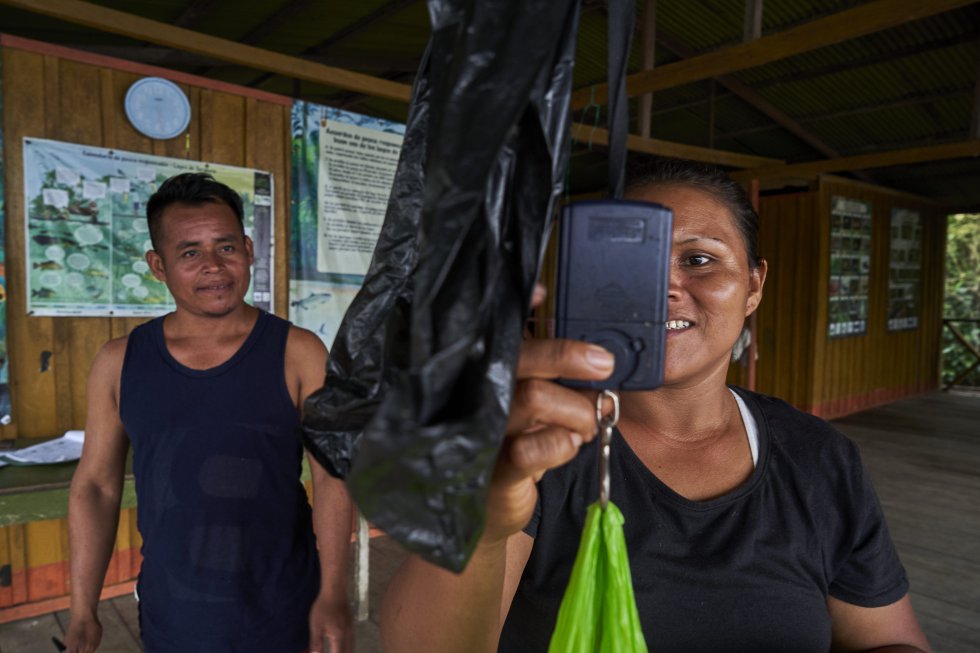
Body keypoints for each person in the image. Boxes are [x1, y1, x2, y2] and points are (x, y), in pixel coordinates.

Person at [380, 158, 931, 652]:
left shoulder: (822, 458)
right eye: (635, 266)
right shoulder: (535, 443)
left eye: (699, 260)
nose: (664, 286)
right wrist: (483, 517)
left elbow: (889, 640)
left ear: (754, 286)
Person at [65, 173, 353, 653]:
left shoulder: (299, 353)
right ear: (158, 265)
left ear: (248, 248)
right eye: (190, 252)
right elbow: (96, 486)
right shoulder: (119, 362)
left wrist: (333, 594)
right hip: (173, 614)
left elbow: (332, 477)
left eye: (226, 247)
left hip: (287, 606)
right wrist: (81, 610)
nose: (214, 267)